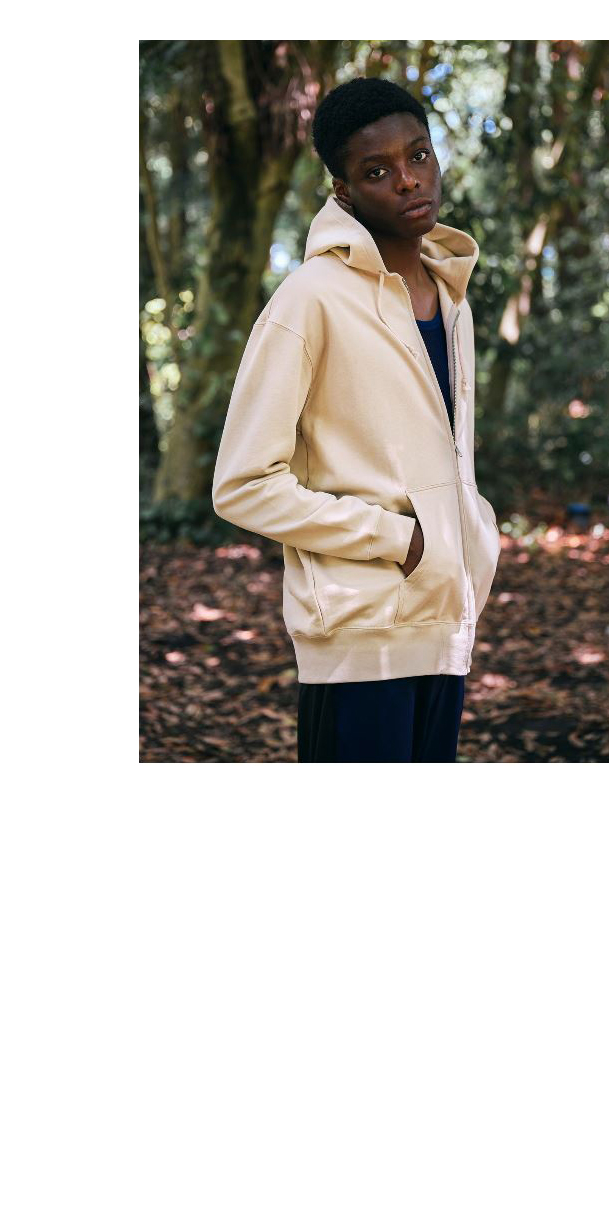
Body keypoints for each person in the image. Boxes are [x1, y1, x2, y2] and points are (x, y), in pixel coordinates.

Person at [211, 76, 501, 761]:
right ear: (342, 191)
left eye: (418, 155)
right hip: (357, 635)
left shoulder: (451, 298)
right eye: (377, 171)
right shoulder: (309, 300)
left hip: (446, 622)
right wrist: (399, 540)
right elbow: (242, 485)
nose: (407, 180)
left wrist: (472, 534)